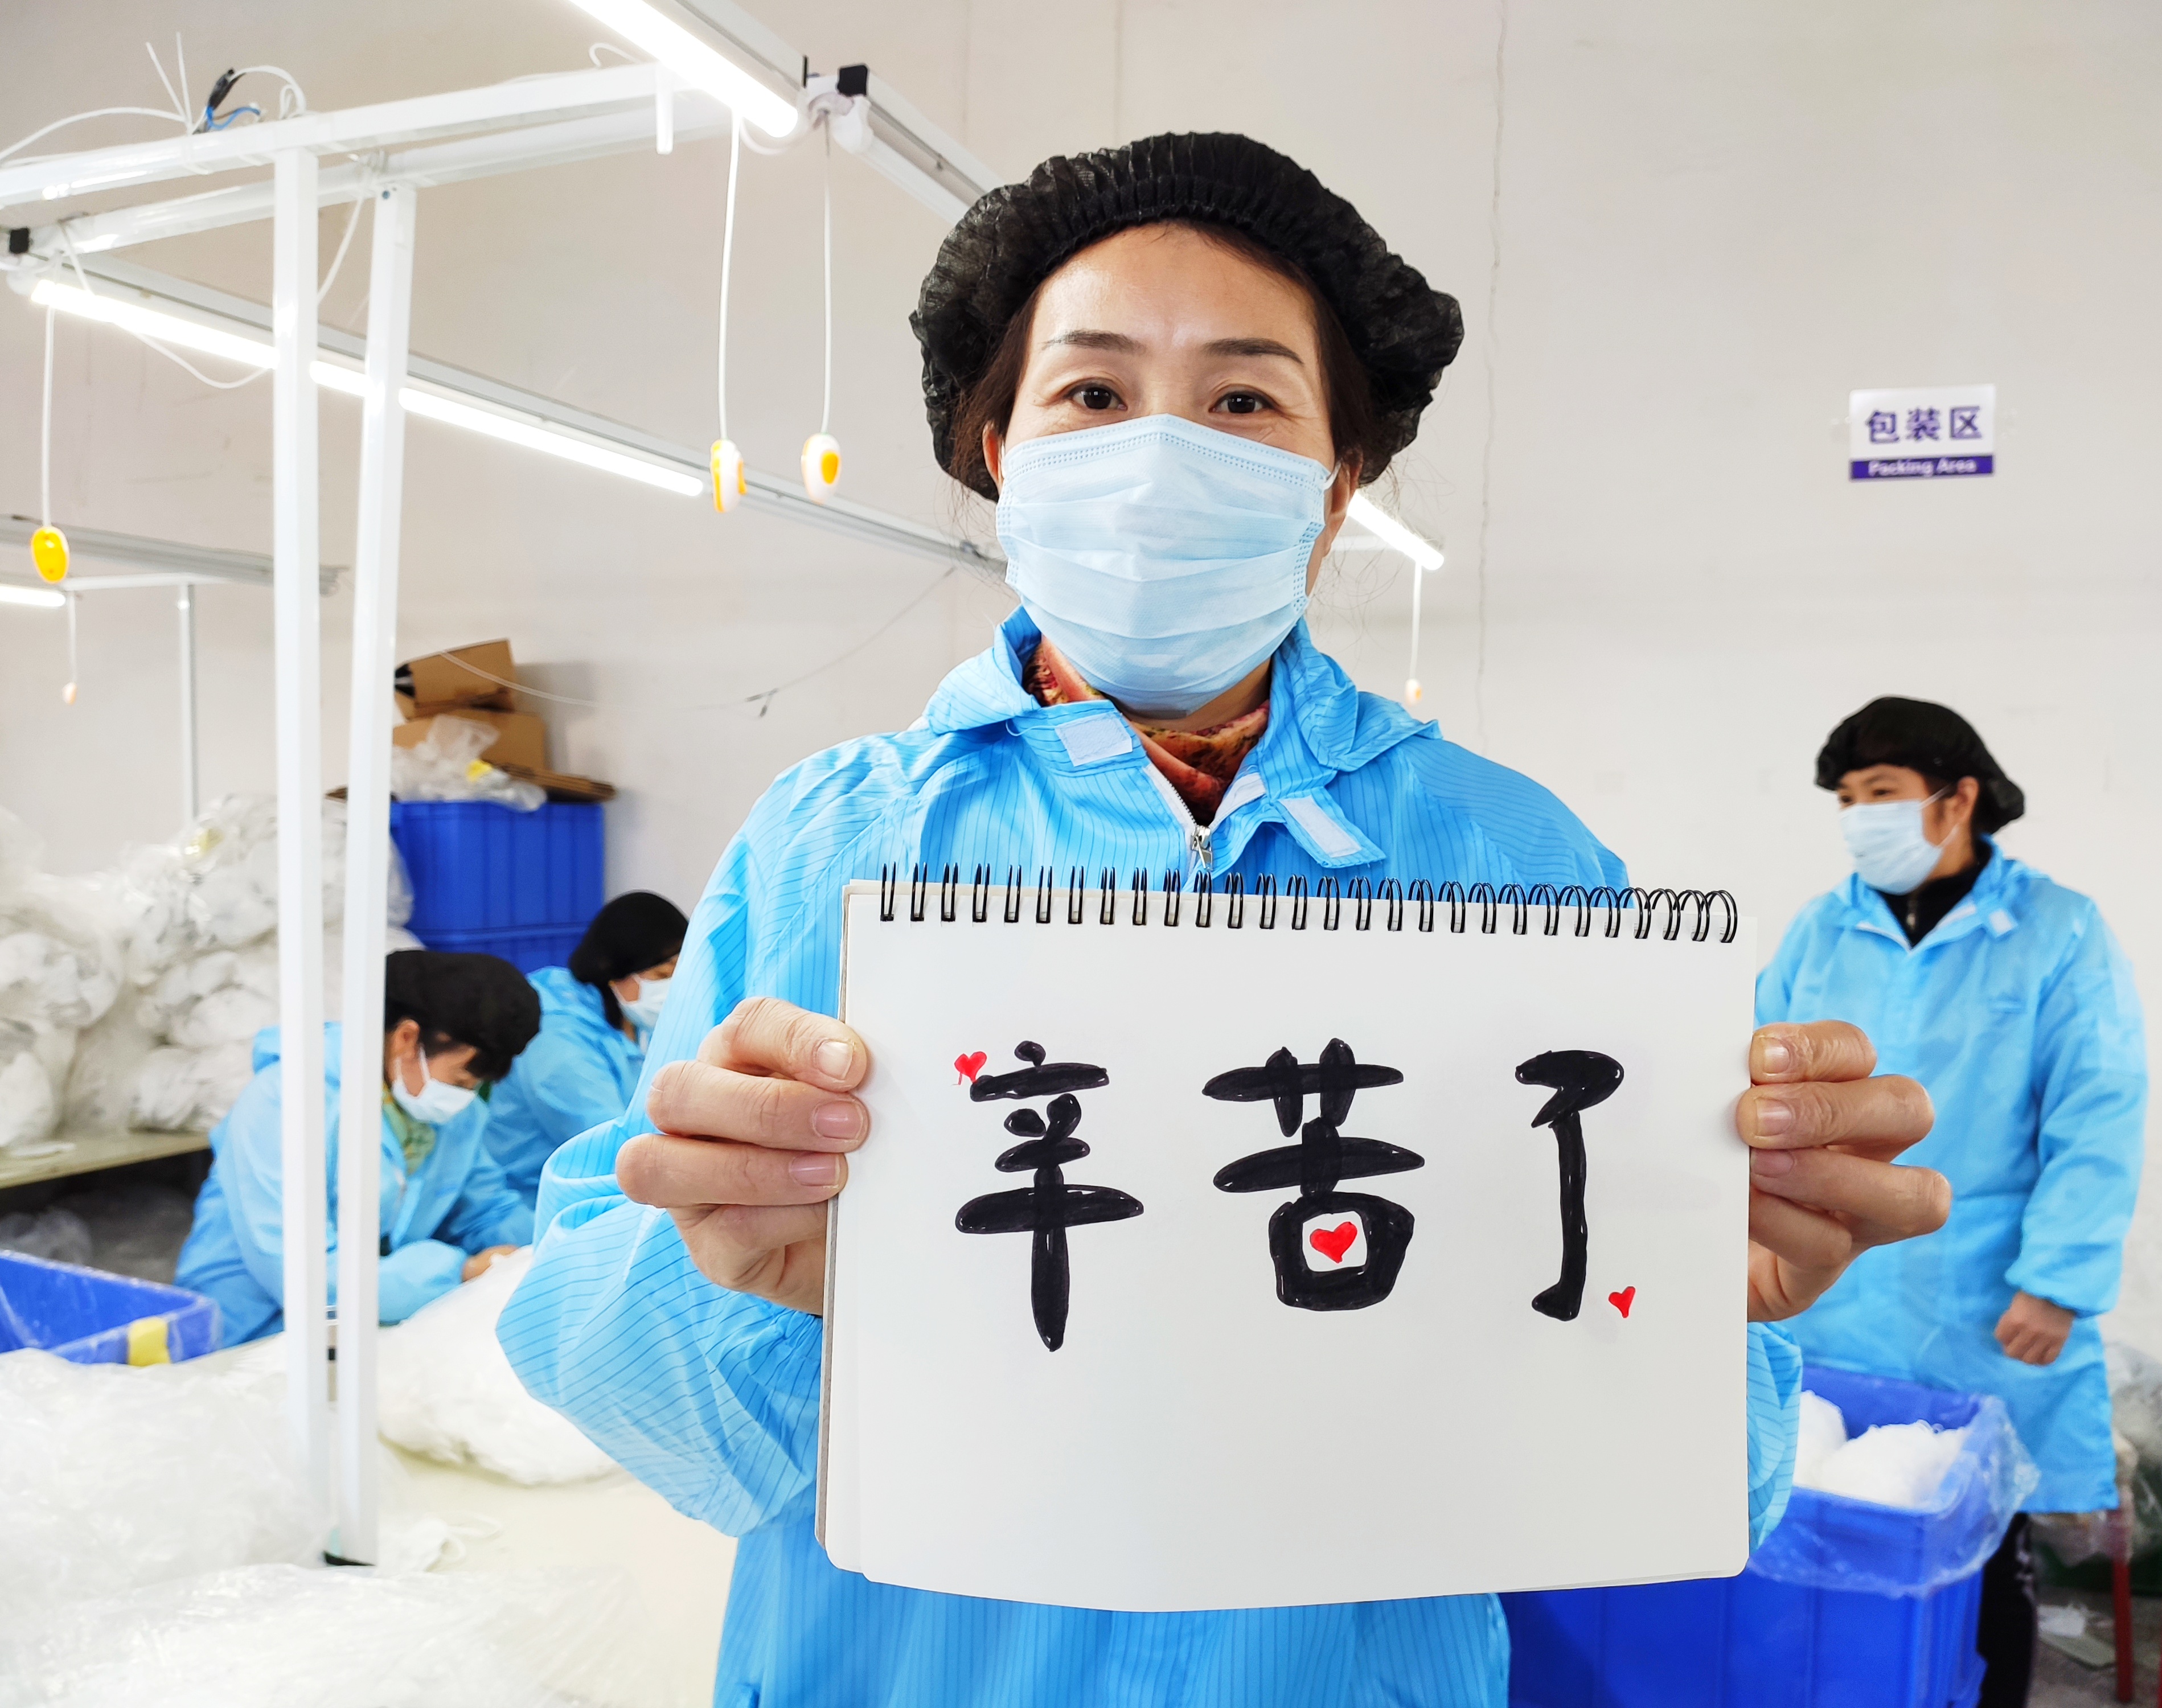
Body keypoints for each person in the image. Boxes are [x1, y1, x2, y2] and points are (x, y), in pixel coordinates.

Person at [499, 133, 1950, 1707]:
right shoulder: (834, 843)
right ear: (998, 450)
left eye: (1244, 400)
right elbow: (609, 1368)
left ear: (1337, 485)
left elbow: (1699, 1483)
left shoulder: (1517, 862)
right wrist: (751, 1275)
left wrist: (1684, 1317)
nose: (1159, 456)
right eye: (1092, 392)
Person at [1756, 697, 2147, 1708]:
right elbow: (1755, 1088)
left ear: (1957, 798)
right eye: (1847, 800)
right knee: (1829, 1542)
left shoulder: (2059, 931)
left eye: (1881, 793)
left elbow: (2097, 1111)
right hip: (1832, 1285)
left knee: (1983, 1554)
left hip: (1985, 1297)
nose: (1859, 819)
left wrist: (2058, 1281)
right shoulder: (1819, 930)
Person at [177, 949, 541, 1346]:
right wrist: (459, 1272)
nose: (464, 1099)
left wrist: (541, 1249)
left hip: (369, 1315)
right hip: (249, 1329)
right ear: (407, 1039)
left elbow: (485, 1209)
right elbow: (301, 1276)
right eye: (459, 1082)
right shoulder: (287, 1103)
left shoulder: (451, 1115)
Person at [482, 891, 687, 1205]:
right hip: (534, 1204)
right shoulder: (555, 1039)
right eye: (661, 975)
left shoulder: (629, 1016)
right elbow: (612, 1150)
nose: (673, 987)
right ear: (612, 971)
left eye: (681, 973)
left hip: (610, 1184)